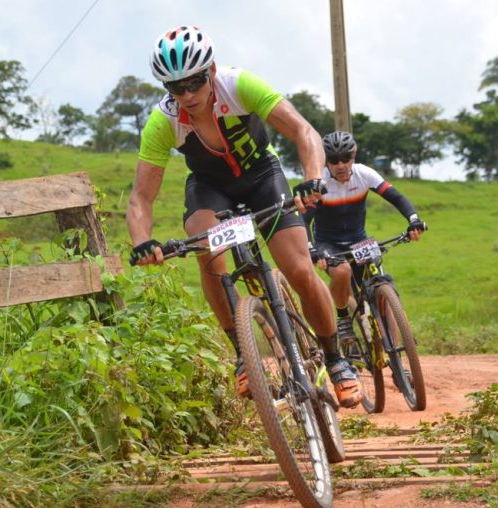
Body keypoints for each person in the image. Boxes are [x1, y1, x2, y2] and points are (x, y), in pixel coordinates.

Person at [126, 25, 361, 408]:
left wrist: (313, 179)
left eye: (195, 82)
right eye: (175, 88)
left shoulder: (239, 86)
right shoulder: (162, 121)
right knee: (207, 251)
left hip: (262, 178)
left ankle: (336, 360)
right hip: (210, 188)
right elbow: (140, 198)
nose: (187, 95)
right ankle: (242, 354)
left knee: (299, 268)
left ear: (212, 70)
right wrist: (142, 242)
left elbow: (303, 131)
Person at [302, 130, 426, 343]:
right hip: (329, 244)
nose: (340, 165)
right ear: (326, 161)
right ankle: (342, 319)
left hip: (359, 240)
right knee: (342, 272)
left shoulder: (364, 174)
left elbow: (396, 197)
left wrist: (413, 219)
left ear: (354, 155)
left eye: (345, 158)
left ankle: (398, 346)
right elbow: (305, 221)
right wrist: (312, 249)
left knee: (380, 280)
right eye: (333, 160)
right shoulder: (319, 183)